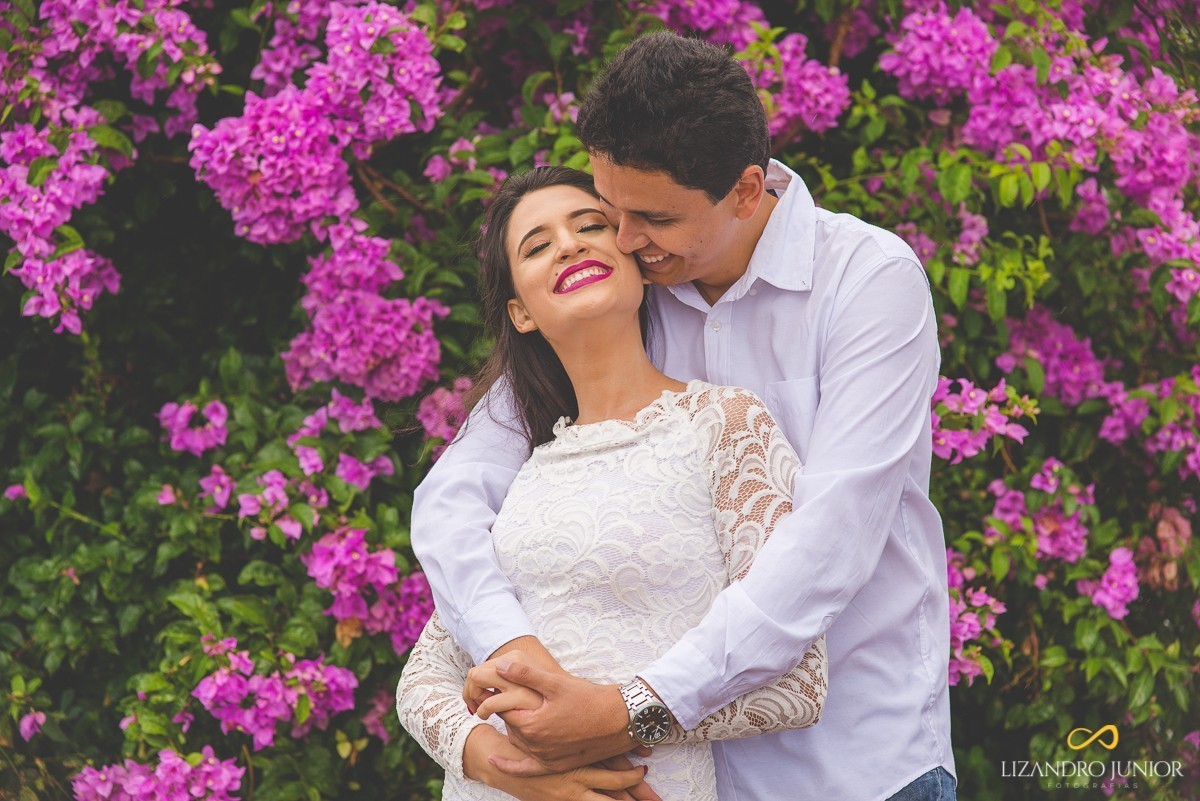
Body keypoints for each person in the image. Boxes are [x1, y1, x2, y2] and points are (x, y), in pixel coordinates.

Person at [412, 31, 955, 801]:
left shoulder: (867, 282)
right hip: (663, 777)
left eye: (652, 220)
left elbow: (830, 539)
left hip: (850, 767)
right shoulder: (626, 301)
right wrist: (517, 675)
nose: (624, 241)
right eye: (611, 210)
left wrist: (628, 710)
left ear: (744, 190)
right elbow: (452, 500)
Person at [396, 166, 828, 800]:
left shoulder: (728, 425)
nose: (569, 245)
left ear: (636, 263)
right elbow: (423, 676)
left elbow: (800, 685)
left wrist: (616, 720)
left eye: (589, 225)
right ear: (520, 313)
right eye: (537, 245)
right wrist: (505, 764)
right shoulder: (521, 469)